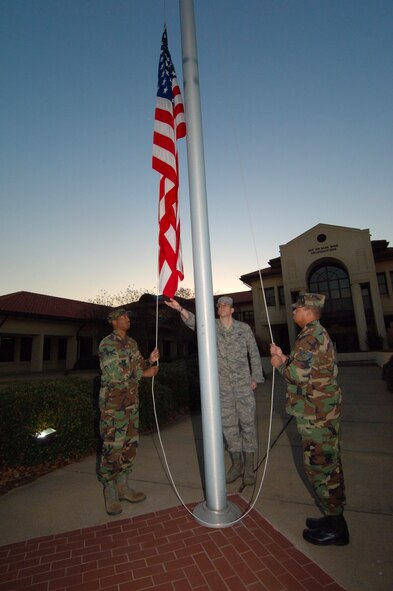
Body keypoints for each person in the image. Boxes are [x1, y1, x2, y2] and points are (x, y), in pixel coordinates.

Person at [270, 292, 349, 546]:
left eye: (297, 309)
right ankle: (332, 517)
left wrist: (278, 364)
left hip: (317, 417)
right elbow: (307, 370)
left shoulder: (309, 337)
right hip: (321, 412)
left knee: (322, 469)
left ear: (308, 311)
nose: (293, 312)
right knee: (328, 466)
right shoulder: (315, 334)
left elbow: (297, 376)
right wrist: (285, 358)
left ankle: (337, 528)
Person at [165, 295, 264, 486]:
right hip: (223, 386)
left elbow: (253, 352)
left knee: (248, 424)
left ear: (232, 310)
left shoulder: (243, 329)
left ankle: (249, 467)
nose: (221, 307)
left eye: (225, 304)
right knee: (229, 426)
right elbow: (195, 322)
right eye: (219, 305)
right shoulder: (212, 327)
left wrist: (255, 377)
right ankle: (237, 465)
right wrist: (180, 309)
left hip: (243, 385)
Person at [97, 307, 159, 515]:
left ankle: (123, 486)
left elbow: (139, 363)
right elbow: (115, 373)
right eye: (122, 317)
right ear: (114, 322)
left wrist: (150, 360)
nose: (127, 319)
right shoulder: (107, 344)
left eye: (127, 316)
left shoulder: (132, 343)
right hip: (114, 407)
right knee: (112, 448)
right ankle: (110, 490)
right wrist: (145, 373)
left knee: (129, 446)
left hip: (132, 405)